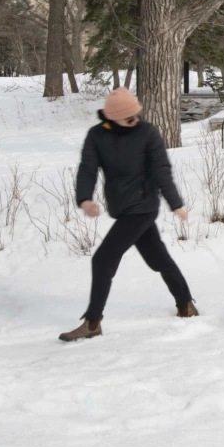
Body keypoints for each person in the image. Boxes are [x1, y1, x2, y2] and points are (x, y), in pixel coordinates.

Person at [59, 88, 196, 342]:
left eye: (136, 115)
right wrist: (85, 198)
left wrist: (175, 203)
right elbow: (87, 168)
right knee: (158, 259)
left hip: (143, 206)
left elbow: (161, 170)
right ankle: (186, 303)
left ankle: (92, 323)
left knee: (102, 260)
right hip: (121, 206)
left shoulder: (147, 133)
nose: (135, 120)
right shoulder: (97, 136)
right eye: (128, 118)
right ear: (112, 118)